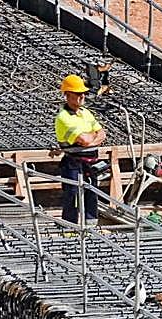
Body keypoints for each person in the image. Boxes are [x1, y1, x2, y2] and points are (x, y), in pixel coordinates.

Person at [53, 74, 107, 226]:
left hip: (90, 163)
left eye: (83, 93)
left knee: (91, 193)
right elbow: (84, 140)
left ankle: (91, 227)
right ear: (67, 95)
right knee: (72, 194)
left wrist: (91, 139)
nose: (82, 96)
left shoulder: (85, 112)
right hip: (73, 163)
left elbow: (102, 134)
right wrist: (92, 137)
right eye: (78, 93)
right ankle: (70, 227)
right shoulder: (63, 118)